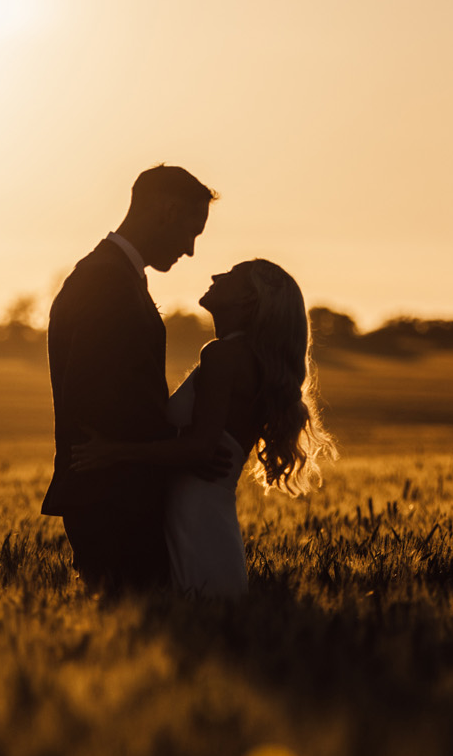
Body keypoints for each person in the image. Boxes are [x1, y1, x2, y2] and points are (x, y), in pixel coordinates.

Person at [71, 259, 337, 597]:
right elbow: (202, 444)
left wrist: (112, 452)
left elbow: (201, 448)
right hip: (209, 517)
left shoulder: (223, 355)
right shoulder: (247, 359)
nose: (216, 275)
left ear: (247, 300)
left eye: (233, 275)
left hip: (194, 517)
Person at [41, 165, 218, 592]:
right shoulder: (107, 281)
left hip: (112, 491)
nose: (191, 251)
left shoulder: (114, 274)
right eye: (192, 232)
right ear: (167, 210)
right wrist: (181, 450)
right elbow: (101, 400)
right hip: (113, 498)